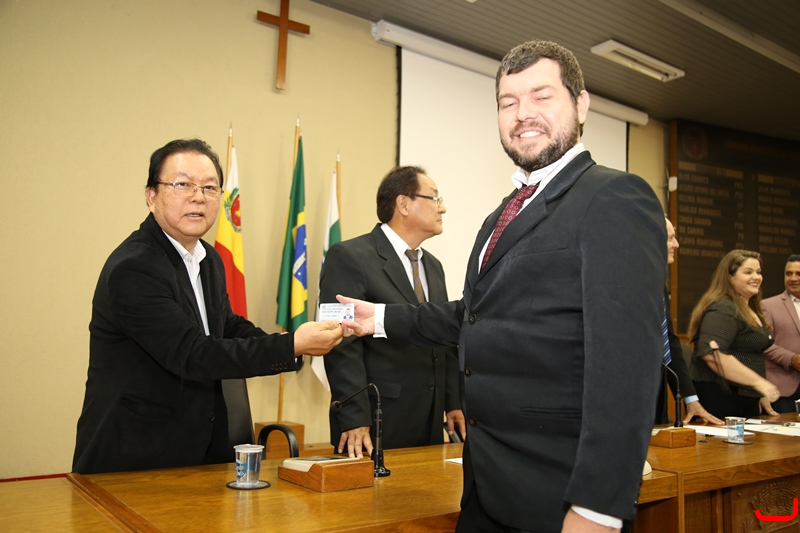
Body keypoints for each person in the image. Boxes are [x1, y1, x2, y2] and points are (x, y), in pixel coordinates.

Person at [338, 41, 667, 532]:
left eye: (541, 96)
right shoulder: (502, 215)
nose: (522, 113)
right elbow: (473, 316)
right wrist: (379, 318)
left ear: (581, 105)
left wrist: (598, 508)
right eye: (508, 102)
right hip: (486, 488)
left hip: (559, 497)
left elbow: (628, 363)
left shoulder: (614, 195)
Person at [72, 138, 342, 475]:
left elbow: (225, 326)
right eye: (182, 184)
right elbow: (192, 354)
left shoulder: (207, 258)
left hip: (201, 448)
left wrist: (292, 341)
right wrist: (292, 345)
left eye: (210, 187)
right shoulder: (134, 267)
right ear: (151, 196)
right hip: (138, 453)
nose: (198, 197)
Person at [319, 166, 465, 455]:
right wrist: (354, 416)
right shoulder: (348, 256)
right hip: (376, 419)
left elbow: (443, 337)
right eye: (435, 198)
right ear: (403, 204)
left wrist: (454, 402)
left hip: (429, 419)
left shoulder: (433, 266)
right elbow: (340, 344)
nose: (443, 208)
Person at [688, 249, 779, 419]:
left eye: (758, 272)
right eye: (748, 272)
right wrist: (759, 383)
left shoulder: (750, 307)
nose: (756, 277)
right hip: (723, 396)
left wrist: (758, 393)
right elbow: (711, 354)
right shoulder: (723, 308)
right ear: (730, 277)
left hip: (745, 396)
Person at [658, 218, 722, 426]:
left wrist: (690, 398)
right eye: (670, 238)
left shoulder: (659, 283)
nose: (676, 244)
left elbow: (668, 341)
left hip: (656, 403)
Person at [762, 254, 800, 413]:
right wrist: (792, 359)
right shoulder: (767, 306)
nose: (793, 278)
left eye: (798, 274)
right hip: (784, 388)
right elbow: (764, 344)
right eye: (789, 273)